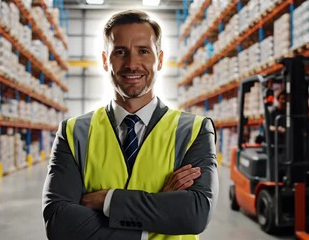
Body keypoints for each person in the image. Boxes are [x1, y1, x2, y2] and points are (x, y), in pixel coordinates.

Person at [42, 10, 219, 240]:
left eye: (143, 51)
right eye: (120, 52)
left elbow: (195, 214)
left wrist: (107, 200)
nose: (132, 64)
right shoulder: (73, 132)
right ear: (106, 61)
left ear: (160, 59)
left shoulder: (194, 130)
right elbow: (59, 223)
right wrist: (156, 211)